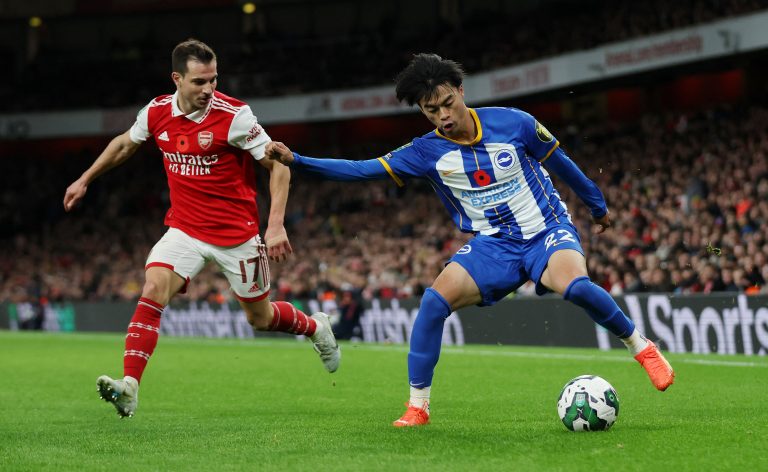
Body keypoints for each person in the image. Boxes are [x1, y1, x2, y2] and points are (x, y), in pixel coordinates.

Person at [265, 53, 674, 427]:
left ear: (461, 92)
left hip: (546, 230)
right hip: (494, 245)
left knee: (577, 287)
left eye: (447, 102)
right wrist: (298, 160)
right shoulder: (425, 152)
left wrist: (597, 206)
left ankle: (642, 348)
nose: (443, 115)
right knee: (432, 303)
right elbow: (361, 170)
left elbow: (561, 164)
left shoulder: (514, 123)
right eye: (431, 110)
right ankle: (417, 407)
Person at [62, 39, 340, 418]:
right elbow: (125, 145)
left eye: (213, 79)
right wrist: (85, 179)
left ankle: (314, 326)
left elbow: (279, 165)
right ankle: (130, 386)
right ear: (177, 79)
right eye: (199, 82)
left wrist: (275, 226)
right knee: (153, 289)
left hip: (236, 235)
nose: (209, 89)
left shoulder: (235, 116)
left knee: (259, 318)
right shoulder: (157, 111)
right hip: (184, 229)